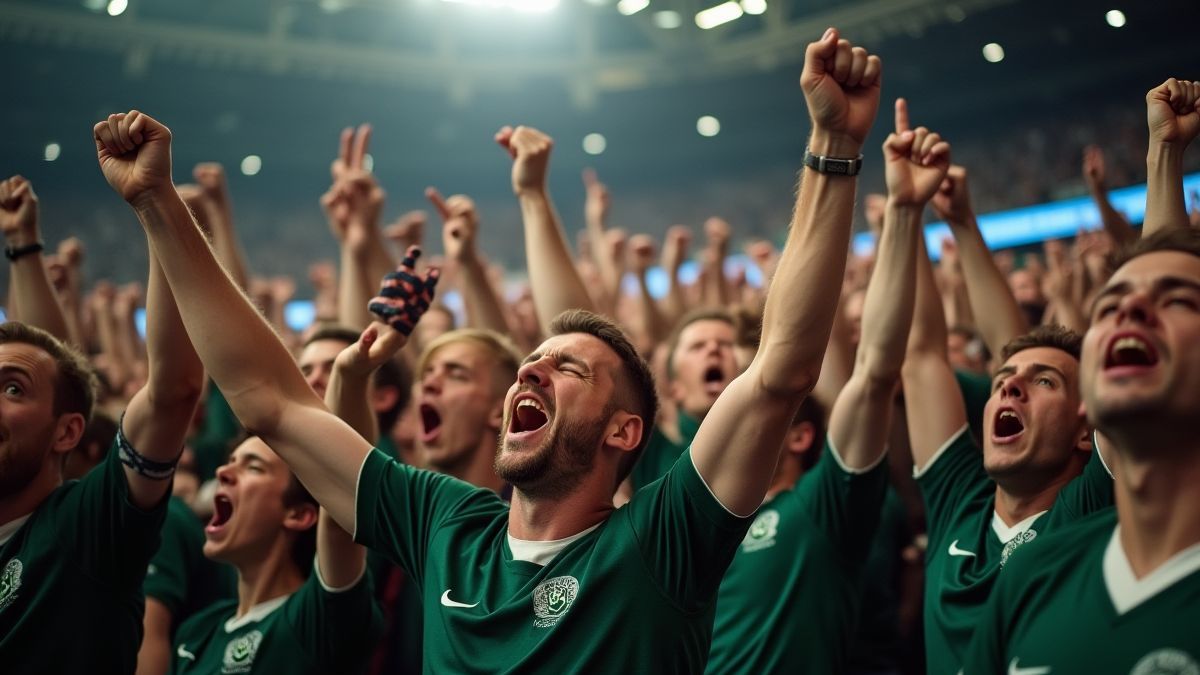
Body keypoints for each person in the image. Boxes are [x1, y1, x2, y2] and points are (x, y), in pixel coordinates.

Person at [110, 24, 880, 671]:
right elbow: (271, 402)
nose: (532, 366)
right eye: (529, 360)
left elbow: (780, 366)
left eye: (567, 366)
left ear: (625, 431)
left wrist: (833, 144)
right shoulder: (450, 525)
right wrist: (158, 205)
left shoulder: (662, 540)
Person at [962, 77, 1200, 675]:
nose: (1130, 311)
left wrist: (1163, 156)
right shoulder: (1030, 581)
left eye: (1176, 302)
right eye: (1109, 305)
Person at [705, 97, 946, 674]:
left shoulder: (824, 506)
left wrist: (905, 216)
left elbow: (875, 372)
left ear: (800, 438)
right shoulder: (696, 516)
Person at [901, 162, 1115, 673]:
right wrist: (913, 214)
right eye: (1002, 382)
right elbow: (923, 357)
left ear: (1088, 427)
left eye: (1046, 382)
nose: (1009, 385)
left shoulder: (1092, 509)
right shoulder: (959, 502)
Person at [0, 168, 204, 672]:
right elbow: (52, 372)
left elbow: (172, 393)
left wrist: (157, 206)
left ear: (69, 433)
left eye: (10, 390)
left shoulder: (86, 527)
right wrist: (24, 248)